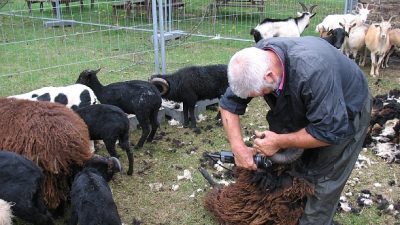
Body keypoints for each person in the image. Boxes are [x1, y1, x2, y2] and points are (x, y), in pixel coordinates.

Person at [219, 36, 372, 225]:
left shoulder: (314, 70)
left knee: (324, 176)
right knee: (294, 164)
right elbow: (228, 105)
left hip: (344, 108)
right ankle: (293, 209)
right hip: (305, 95)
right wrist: (238, 147)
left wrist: (279, 141)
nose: (258, 97)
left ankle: (314, 220)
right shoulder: (254, 60)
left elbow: (330, 132)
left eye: (260, 94)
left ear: (269, 76)